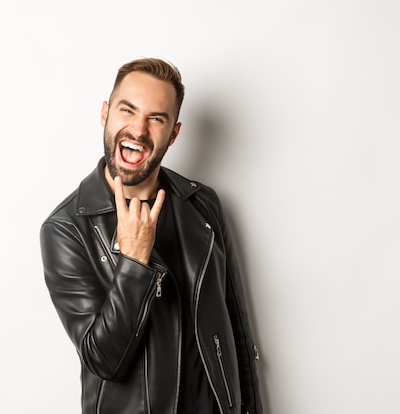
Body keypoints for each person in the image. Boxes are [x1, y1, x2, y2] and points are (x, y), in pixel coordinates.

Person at [40, 58, 263, 414]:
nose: (138, 130)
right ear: (105, 114)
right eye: (127, 111)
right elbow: (104, 361)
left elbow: (235, 327)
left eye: (156, 119)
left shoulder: (202, 204)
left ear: (173, 133)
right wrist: (133, 262)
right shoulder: (66, 229)